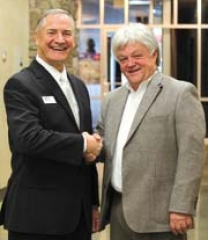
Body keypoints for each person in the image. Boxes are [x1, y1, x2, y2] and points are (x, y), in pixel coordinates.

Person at [96, 23, 206, 240]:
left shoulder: (180, 93)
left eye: (137, 55)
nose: (130, 64)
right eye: (123, 59)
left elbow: (191, 154)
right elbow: (103, 142)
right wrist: (87, 144)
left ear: (154, 54)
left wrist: (182, 206)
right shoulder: (112, 100)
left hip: (162, 216)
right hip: (119, 212)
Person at [0, 9, 102, 240]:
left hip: (78, 216)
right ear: (37, 38)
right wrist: (83, 144)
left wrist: (92, 204)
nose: (59, 39)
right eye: (52, 32)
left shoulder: (78, 86)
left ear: (74, 41)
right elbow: (27, 138)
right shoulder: (21, 84)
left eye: (67, 33)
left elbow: (84, 154)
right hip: (37, 218)